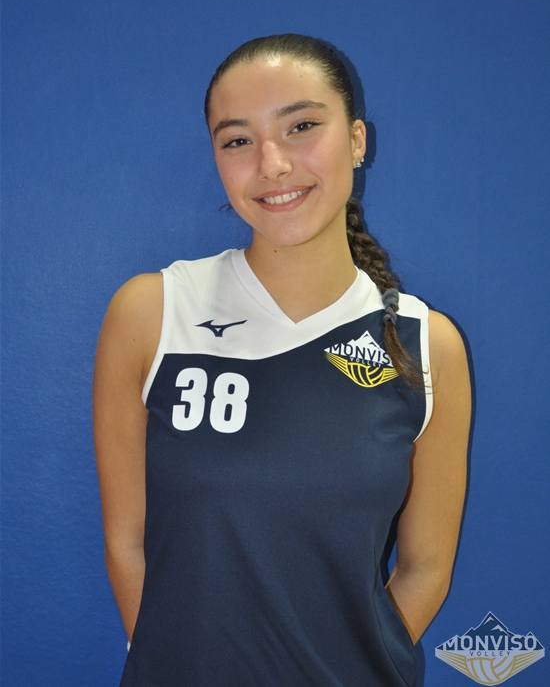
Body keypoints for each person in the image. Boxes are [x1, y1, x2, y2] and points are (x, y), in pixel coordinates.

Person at [94, 34, 471, 687]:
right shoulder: (153, 312)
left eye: (301, 126)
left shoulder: (424, 346)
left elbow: (425, 568)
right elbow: (127, 542)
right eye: (238, 140)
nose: (272, 163)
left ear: (357, 139)